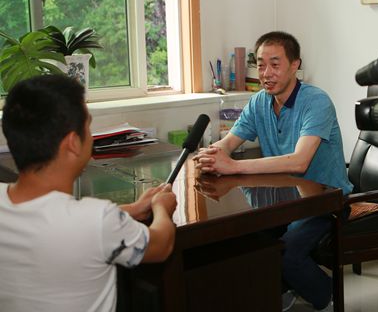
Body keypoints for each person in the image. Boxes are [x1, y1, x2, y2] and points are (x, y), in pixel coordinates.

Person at [194, 31, 353, 311]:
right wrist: (210, 155)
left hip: (324, 201)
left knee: (287, 254)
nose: (266, 73)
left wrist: (233, 166)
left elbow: (299, 162)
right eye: (261, 65)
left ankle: (327, 298)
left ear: (295, 65)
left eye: (275, 64)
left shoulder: (316, 101)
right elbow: (228, 143)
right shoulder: (259, 101)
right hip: (282, 200)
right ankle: (280, 291)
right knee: (242, 240)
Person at [0, 75, 178, 312]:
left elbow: (59, 222)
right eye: (88, 126)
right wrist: (161, 208)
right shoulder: (97, 219)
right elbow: (161, 244)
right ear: (73, 143)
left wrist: (134, 209)